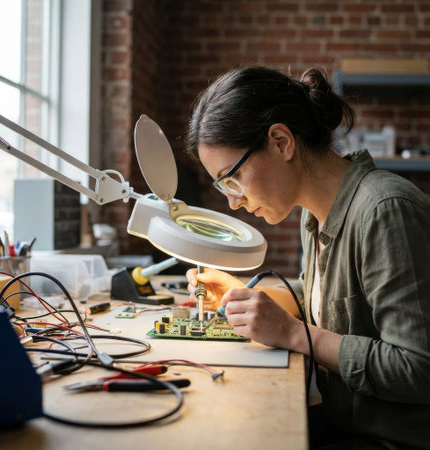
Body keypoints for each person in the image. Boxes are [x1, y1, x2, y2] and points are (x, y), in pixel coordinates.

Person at [184, 66, 430, 450]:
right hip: (342, 420)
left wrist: (293, 334)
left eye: (232, 178)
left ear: (281, 142)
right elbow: (329, 298)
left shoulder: (385, 210)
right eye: (222, 186)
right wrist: (241, 294)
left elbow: (418, 368)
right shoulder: (313, 214)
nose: (234, 201)